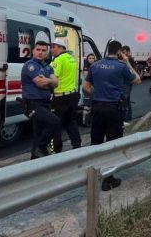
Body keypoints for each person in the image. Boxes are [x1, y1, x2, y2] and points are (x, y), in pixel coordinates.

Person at [82, 40, 140, 191]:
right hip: (114, 109)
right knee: (112, 144)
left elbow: (85, 86)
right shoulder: (121, 67)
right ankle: (108, 180)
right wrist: (127, 62)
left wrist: (98, 94)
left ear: (108, 50)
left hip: (97, 107)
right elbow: (137, 80)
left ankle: (92, 175)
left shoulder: (95, 65)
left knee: (96, 142)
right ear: (120, 51)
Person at [21, 40, 60, 159]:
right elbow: (41, 83)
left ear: (47, 53)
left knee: (38, 133)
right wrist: (50, 82)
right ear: (33, 51)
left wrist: (48, 81)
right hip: (33, 104)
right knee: (55, 122)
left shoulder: (48, 67)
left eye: (43, 50)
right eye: (38, 50)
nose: (40, 52)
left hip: (45, 103)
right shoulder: (30, 65)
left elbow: (56, 83)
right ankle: (41, 148)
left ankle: (34, 159)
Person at [49, 39, 81, 153]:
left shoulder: (58, 60)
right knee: (71, 122)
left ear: (62, 48)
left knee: (55, 124)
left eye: (54, 47)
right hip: (72, 95)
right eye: (51, 47)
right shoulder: (71, 58)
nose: (52, 50)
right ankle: (77, 146)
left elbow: (53, 79)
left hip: (60, 97)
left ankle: (55, 150)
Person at [120, 45, 136, 124]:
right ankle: (129, 117)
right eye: (122, 53)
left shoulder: (129, 59)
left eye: (124, 52)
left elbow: (130, 70)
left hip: (127, 82)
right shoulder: (127, 59)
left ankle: (126, 118)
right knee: (127, 100)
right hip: (127, 82)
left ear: (128, 52)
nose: (123, 54)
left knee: (125, 100)